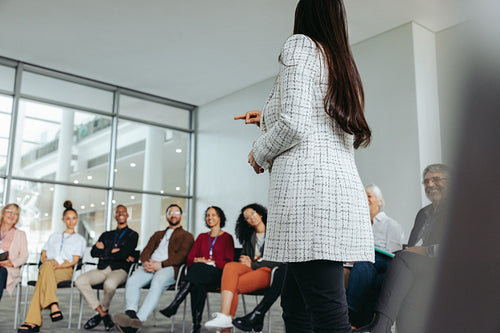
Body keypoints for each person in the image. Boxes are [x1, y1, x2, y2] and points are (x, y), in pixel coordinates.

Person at [236, 0, 374, 331]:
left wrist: (260, 151)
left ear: (304, 13)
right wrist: (266, 118)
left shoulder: (300, 45)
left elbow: (296, 123)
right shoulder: (340, 63)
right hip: (335, 197)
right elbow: (313, 118)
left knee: (327, 313)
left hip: (309, 201)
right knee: (296, 306)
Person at [354, 164, 449, 333]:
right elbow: (412, 245)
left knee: (402, 260)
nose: (430, 184)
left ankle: (380, 326)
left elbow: (460, 247)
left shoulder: (459, 209)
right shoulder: (423, 213)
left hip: (446, 264)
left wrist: (425, 251)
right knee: (381, 270)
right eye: (426, 181)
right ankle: (365, 322)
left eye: (436, 179)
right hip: (419, 265)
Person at [113, 204, 194, 333]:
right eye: (170, 212)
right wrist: (146, 262)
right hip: (150, 265)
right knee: (133, 280)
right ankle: (131, 314)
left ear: (181, 216)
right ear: (167, 216)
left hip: (170, 268)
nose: (173, 214)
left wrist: (161, 265)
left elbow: (182, 256)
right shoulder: (158, 234)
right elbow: (146, 250)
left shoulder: (187, 236)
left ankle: (138, 320)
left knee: (157, 281)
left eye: (176, 212)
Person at [204, 203, 283, 330]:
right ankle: (225, 317)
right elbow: (244, 258)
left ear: (260, 214)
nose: (251, 217)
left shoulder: (276, 236)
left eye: (252, 213)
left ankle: (225, 323)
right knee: (230, 267)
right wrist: (248, 262)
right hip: (251, 270)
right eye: (247, 217)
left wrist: (254, 263)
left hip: (268, 272)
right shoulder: (249, 237)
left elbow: (279, 262)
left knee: (231, 285)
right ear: (246, 222)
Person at [159, 206, 234, 333]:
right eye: (208, 215)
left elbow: (229, 262)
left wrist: (210, 261)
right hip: (200, 275)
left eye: (213, 215)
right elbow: (190, 258)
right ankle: (196, 326)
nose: (210, 218)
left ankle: (176, 306)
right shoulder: (201, 237)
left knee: (197, 272)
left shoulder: (227, 238)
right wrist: (198, 260)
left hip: (217, 275)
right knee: (198, 282)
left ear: (220, 218)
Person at [18, 200, 86, 333]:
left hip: (65, 268)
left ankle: (32, 321)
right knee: (47, 268)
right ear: (63, 220)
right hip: (48, 266)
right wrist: (48, 262)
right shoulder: (54, 236)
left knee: (41, 281)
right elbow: (43, 255)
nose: (71, 221)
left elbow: (74, 261)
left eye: (73, 218)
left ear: (77, 219)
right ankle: (52, 304)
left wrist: (57, 265)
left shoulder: (80, 239)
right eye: (68, 218)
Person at [346, 185, 404, 327]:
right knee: (369, 274)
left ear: (379, 201)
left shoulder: (391, 224)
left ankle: (350, 314)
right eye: (362, 196)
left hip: (385, 261)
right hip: (364, 263)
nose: (365, 199)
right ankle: (363, 324)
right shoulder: (357, 225)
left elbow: (394, 253)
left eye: (369, 195)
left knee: (364, 262)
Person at [75, 205, 138, 331]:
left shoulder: (133, 235)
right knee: (80, 281)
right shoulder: (106, 235)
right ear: (115, 216)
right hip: (102, 269)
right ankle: (103, 314)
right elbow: (93, 252)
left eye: (123, 212)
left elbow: (125, 253)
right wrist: (115, 252)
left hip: (120, 270)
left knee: (109, 285)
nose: (120, 213)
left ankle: (100, 314)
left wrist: (105, 251)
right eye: (118, 212)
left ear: (127, 215)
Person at [0, 203, 28, 302]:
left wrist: (12, 263)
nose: (12, 215)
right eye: (9, 211)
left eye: (15, 213)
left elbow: (24, 256)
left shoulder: (21, 234)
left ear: (17, 218)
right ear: (3, 213)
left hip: (7, 269)